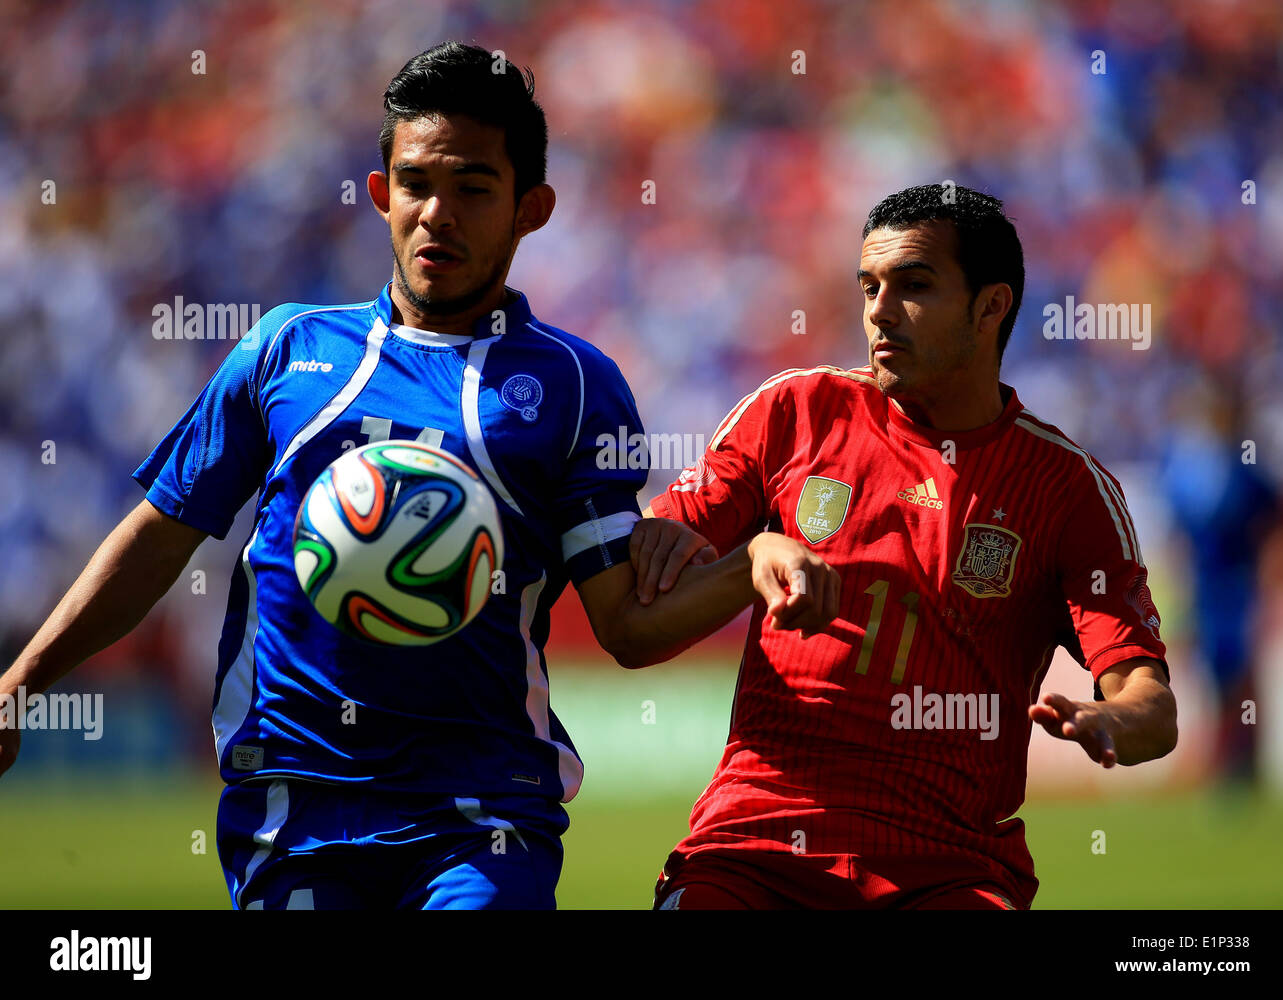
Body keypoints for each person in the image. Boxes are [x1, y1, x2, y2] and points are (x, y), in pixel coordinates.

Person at [0, 42, 837, 910]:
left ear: (531, 209)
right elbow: (159, 535)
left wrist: (750, 563)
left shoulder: (575, 387)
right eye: (416, 184)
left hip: (484, 815)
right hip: (294, 804)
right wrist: (21, 680)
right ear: (378, 193)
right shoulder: (285, 350)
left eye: (474, 188)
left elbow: (624, 626)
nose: (439, 213)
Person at [631, 184, 1178, 909]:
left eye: (913, 286)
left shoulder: (1066, 489)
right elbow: (647, 573)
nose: (880, 311)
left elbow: (1152, 706)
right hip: (754, 848)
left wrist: (1112, 719)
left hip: (947, 869)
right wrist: (754, 555)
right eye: (869, 287)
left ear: (992, 306)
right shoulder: (792, 413)